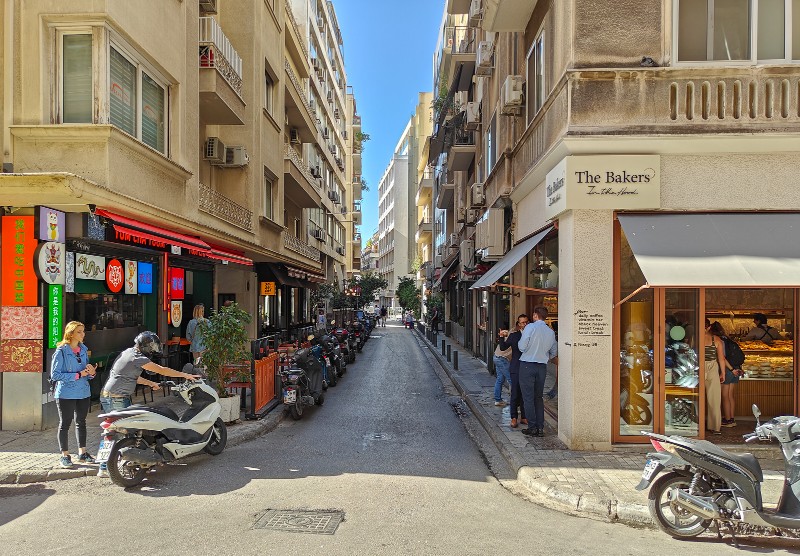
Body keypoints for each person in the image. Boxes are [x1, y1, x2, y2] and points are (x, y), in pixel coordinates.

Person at [96, 331, 199, 477]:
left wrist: (151, 383)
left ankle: (105, 467)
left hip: (108, 396)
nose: (151, 352)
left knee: (111, 433)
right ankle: (120, 465)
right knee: (124, 433)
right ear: (145, 346)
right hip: (117, 398)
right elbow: (161, 370)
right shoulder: (137, 358)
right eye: (151, 349)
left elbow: (132, 377)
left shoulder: (128, 353)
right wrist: (185, 375)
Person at [51, 321, 97, 469]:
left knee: (81, 422)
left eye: (83, 331)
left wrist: (91, 372)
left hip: (83, 391)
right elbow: (55, 375)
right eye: (79, 332)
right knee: (65, 424)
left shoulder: (83, 349)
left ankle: (82, 453)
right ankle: (64, 455)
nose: (83, 334)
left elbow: (86, 371)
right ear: (70, 333)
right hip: (66, 393)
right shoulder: (61, 351)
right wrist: (77, 375)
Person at [517, 306, 557, 437]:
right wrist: (544, 356)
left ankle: (532, 427)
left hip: (527, 365)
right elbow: (553, 352)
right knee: (538, 397)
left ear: (535, 315)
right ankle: (540, 427)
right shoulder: (550, 331)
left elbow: (522, 347)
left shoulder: (530, 327)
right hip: (541, 367)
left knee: (528, 398)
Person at [499, 314, 528, 428]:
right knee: (515, 393)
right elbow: (503, 347)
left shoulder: (532, 336)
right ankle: (514, 417)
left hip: (527, 367)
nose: (524, 324)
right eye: (521, 322)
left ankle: (524, 417)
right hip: (516, 367)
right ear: (518, 324)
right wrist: (501, 336)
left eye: (526, 322)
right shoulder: (514, 335)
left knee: (525, 393)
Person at [713, 321, 743, 428]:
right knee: (730, 396)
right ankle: (732, 419)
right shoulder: (728, 339)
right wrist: (736, 369)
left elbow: (723, 358)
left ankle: (727, 420)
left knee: (725, 396)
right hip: (736, 369)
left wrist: (730, 369)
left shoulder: (719, 341)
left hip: (728, 369)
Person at [703, 318, 726, 436]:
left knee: (696, 397)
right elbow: (721, 358)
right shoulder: (716, 340)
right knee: (714, 399)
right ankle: (715, 427)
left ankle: (696, 426)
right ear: (709, 327)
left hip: (699, 367)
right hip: (712, 367)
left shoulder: (695, 339)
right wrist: (723, 373)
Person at [492, 325, 513, 407]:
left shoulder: (508, 334)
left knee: (500, 379)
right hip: (502, 359)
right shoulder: (514, 335)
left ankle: (498, 400)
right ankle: (516, 403)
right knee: (512, 380)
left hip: (496, 357)